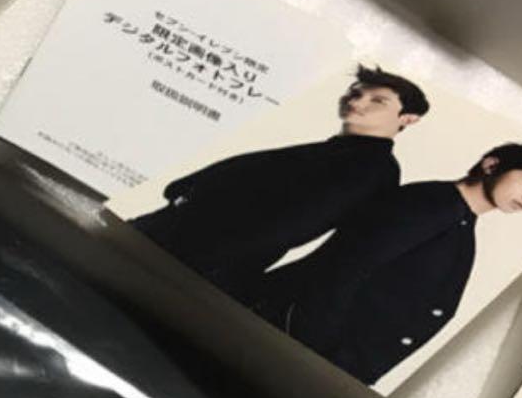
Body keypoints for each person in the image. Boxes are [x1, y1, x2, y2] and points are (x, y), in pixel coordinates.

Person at [243, 143, 522, 385]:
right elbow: (343, 270)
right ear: (491, 165)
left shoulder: (459, 220)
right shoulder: (431, 204)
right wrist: (314, 357)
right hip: (291, 347)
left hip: (322, 362)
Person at [130, 65, 430, 291]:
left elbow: (295, 224)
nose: (358, 101)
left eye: (378, 101)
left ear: (408, 118)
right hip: (179, 241)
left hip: (191, 256)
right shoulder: (343, 152)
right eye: (355, 93)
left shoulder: (370, 167)